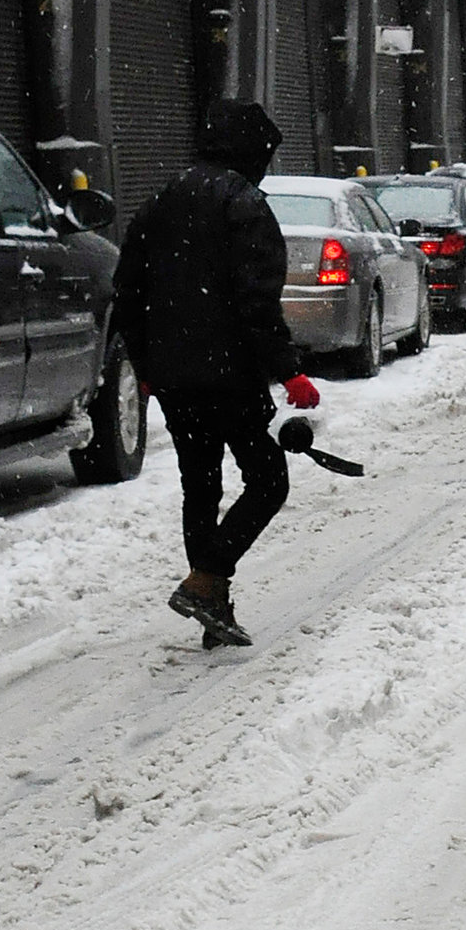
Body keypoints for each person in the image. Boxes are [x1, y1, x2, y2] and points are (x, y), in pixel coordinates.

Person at [114, 101, 320, 649]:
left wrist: (147, 367)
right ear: (251, 150)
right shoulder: (244, 205)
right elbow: (256, 302)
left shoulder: (156, 203)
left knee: (200, 487)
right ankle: (206, 580)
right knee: (268, 480)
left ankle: (214, 604)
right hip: (230, 375)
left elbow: (127, 294)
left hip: (175, 380)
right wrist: (288, 371)